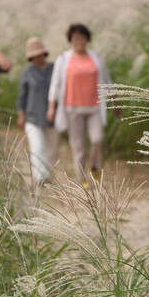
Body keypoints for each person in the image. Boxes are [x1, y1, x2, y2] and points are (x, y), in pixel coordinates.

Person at [47, 23, 119, 186]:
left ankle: (94, 167)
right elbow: (55, 84)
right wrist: (52, 106)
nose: (79, 41)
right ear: (71, 40)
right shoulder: (63, 59)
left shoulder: (97, 58)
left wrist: (115, 100)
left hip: (94, 107)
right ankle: (82, 178)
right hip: (73, 109)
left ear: (87, 39)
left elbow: (107, 80)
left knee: (97, 139)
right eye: (75, 38)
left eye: (82, 38)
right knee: (78, 146)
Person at [17, 37, 59, 186]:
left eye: (39, 53)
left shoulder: (55, 68)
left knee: (52, 150)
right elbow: (22, 94)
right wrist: (21, 114)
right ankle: (40, 179)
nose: (37, 57)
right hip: (32, 116)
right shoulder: (27, 72)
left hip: (53, 116)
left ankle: (49, 177)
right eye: (34, 55)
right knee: (37, 147)